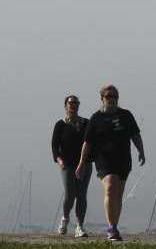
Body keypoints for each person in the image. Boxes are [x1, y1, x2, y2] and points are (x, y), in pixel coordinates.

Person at [77, 85, 145, 242]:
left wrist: (141, 151)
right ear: (102, 99)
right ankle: (111, 228)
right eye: (109, 97)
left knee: (118, 194)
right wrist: (81, 163)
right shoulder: (95, 118)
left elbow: (135, 135)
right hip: (104, 160)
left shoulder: (126, 115)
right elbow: (87, 143)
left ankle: (114, 225)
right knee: (110, 188)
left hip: (123, 159)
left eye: (115, 96)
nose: (112, 99)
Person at [52, 95, 91, 237]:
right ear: (65, 105)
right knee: (70, 194)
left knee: (82, 194)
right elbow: (55, 146)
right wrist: (59, 160)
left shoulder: (86, 123)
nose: (73, 105)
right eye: (70, 103)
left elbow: (91, 141)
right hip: (67, 164)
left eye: (75, 103)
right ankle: (65, 218)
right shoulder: (60, 124)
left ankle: (79, 226)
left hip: (84, 163)